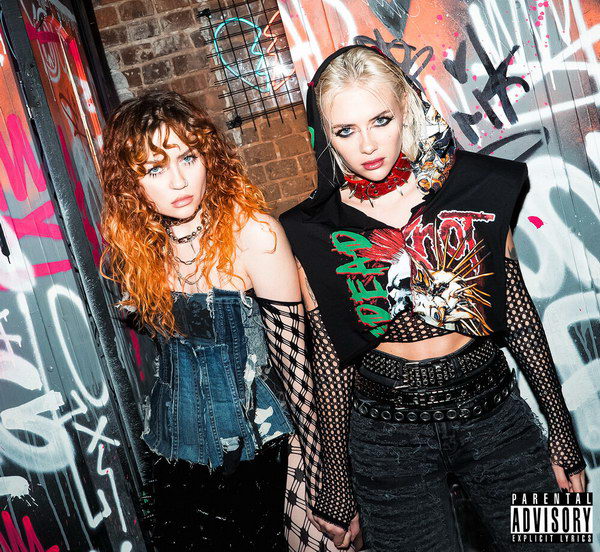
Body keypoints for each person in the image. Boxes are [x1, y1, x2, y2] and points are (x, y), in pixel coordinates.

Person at [280, 45, 588, 551]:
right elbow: (331, 360)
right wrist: (336, 481)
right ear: (325, 137)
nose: (368, 145)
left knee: (558, 544)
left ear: (406, 108)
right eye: (345, 130)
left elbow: (519, 318)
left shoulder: (475, 188)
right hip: (387, 438)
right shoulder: (312, 232)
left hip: (495, 416)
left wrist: (562, 432)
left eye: (380, 120)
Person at [98, 90, 324, 551]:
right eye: (155, 169)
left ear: (209, 157)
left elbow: (299, 369)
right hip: (179, 462)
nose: (179, 180)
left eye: (188, 157)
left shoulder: (252, 234)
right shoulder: (141, 252)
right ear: (130, 184)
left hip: (273, 450)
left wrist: (326, 470)